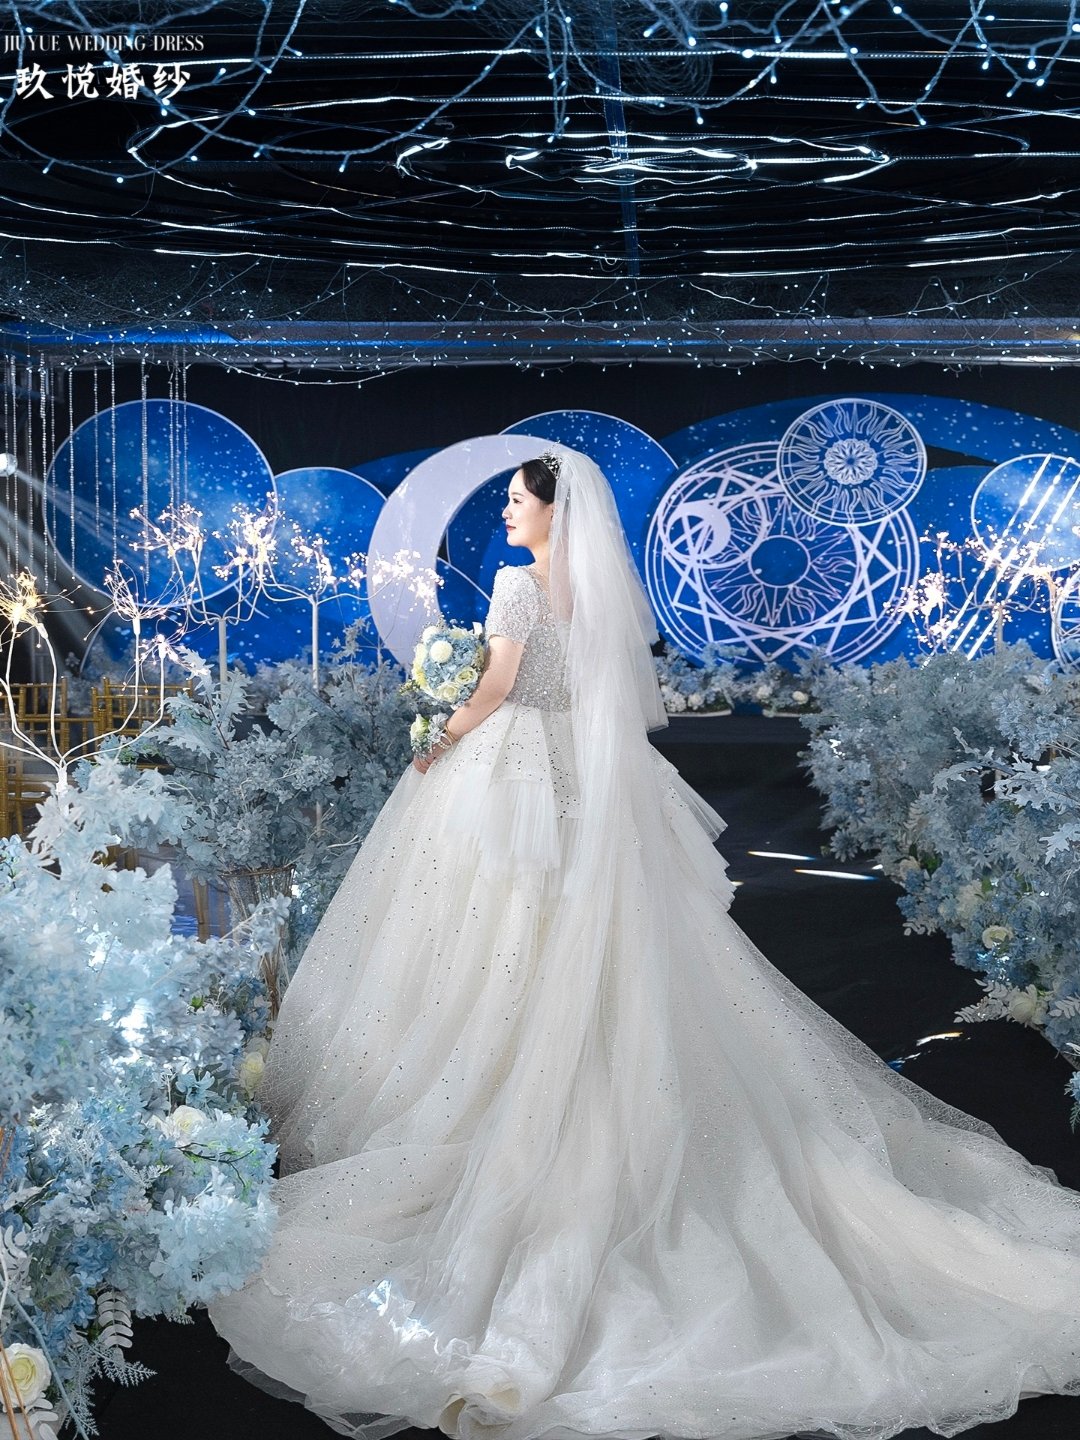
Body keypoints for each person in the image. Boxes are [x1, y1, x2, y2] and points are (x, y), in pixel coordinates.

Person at [208, 445, 1080, 1440]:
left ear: (552, 509)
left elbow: (500, 688)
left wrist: (440, 737)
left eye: (517, 499)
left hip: (510, 772)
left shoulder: (518, 585)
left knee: (488, 927)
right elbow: (590, 692)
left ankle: (502, 1070)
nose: (508, 511)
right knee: (585, 931)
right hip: (584, 778)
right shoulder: (591, 591)